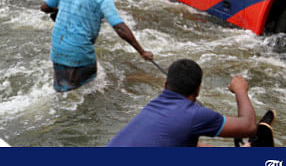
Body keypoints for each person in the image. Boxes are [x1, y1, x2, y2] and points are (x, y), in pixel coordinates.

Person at [40, 0, 153, 92]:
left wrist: (63, 8)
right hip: (80, 54)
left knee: (63, 93)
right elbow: (119, 27)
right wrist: (142, 51)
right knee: (90, 93)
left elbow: (44, 7)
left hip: (58, 50)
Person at [107, 59, 257, 146]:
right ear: (198, 90)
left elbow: (187, 145)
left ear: (165, 85)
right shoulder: (195, 115)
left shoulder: (153, 107)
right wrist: (240, 90)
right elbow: (249, 126)